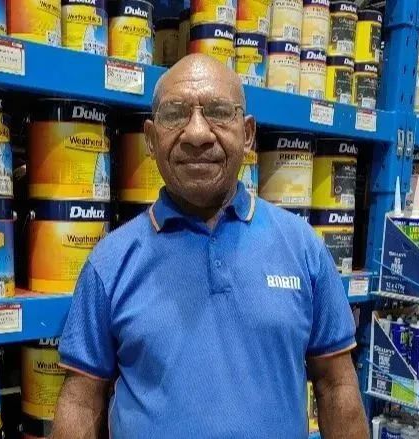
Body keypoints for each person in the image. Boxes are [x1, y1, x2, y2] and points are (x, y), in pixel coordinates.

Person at [51, 54, 369, 439]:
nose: (197, 134)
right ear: (150, 139)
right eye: (175, 115)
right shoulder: (110, 262)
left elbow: (336, 384)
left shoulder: (303, 247)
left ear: (247, 134)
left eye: (218, 112)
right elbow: (82, 401)